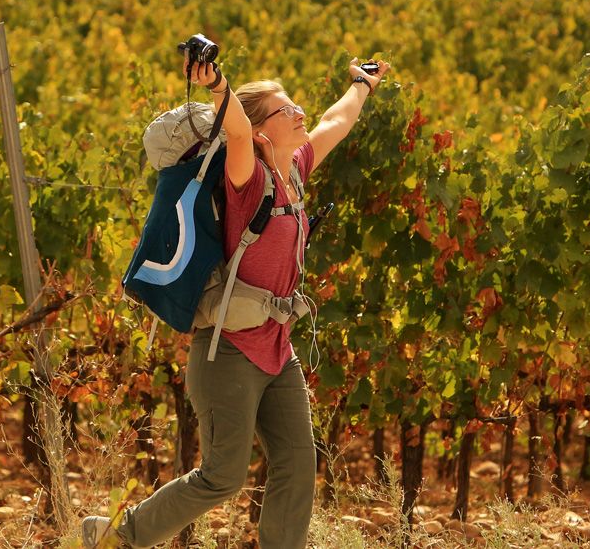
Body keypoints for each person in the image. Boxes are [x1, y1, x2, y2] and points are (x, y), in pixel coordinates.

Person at [84, 52, 391, 549]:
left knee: (297, 464)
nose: (298, 113)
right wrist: (219, 86)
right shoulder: (247, 180)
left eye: (294, 105)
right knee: (222, 477)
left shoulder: (296, 168)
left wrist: (362, 84)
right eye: (284, 109)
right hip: (227, 353)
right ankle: (121, 537)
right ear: (261, 129)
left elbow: (337, 120)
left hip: (276, 349)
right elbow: (239, 133)